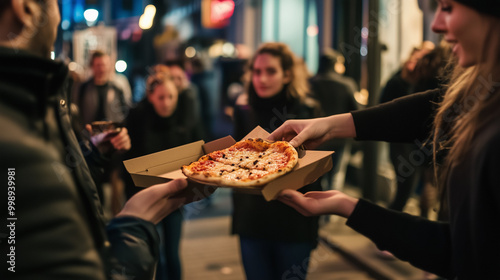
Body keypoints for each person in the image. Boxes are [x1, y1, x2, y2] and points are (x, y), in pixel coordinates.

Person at [269, 1, 500, 279]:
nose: (436, 24)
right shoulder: (482, 95)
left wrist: (350, 207)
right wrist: (330, 129)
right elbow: (434, 108)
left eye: (448, 7)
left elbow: (460, 255)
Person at [0, 1, 211, 279]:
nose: (57, 15)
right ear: (24, 8)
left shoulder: (33, 100)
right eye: (54, 3)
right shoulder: (21, 118)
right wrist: (134, 225)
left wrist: (93, 155)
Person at [231, 42, 322, 280]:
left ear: (287, 74)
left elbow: (316, 174)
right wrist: (238, 220)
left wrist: (313, 229)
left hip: (293, 222)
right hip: (252, 221)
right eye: (257, 71)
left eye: (271, 71)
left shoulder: (306, 111)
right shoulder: (243, 111)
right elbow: (232, 168)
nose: (262, 78)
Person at [122, 65, 205, 280]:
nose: (166, 103)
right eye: (161, 97)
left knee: (172, 253)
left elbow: (199, 151)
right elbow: (127, 161)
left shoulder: (184, 119)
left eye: (170, 96)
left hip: (175, 195)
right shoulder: (138, 117)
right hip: (145, 195)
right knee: (153, 253)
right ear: (151, 97)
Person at [379, 42, 434, 212]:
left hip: (424, 142)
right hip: (402, 144)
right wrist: (406, 79)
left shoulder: (427, 80)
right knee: (405, 189)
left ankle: (424, 228)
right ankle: (386, 226)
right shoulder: (399, 80)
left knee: (428, 188)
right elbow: (383, 108)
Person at [309, 48, 360, 191]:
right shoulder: (347, 84)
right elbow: (356, 111)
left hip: (315, 137)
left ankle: (315, 209)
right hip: (340, 137)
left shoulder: (310, 83)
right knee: (336, 176)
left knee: (316, 176)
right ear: (336, 64)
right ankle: (329, 211)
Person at [76, 50, 132, 126]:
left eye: (104, 65)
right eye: (98, 65)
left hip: (113, 134)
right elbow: (78, 113)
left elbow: (126, 111)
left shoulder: (118, 86)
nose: (102, 69)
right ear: (92, 66)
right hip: (90, 134)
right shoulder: (84, 88)